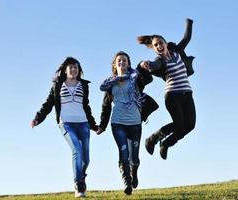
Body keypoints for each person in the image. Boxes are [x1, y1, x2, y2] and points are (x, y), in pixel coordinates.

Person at [30, 57, 98, 198]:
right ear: (65, 70)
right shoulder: (57, 85)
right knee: (76, 150)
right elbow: (48, 104)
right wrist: (37, 119)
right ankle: (78, 184)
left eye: (76, 67)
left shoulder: (83, 85)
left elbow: (86, 106)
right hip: (66, 123)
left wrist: (93, 125)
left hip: (83, 123)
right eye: (71, 67)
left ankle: (81, 176)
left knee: (86, 159)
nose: (73, 69)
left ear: (79, 70)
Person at [96, 51, 158, 195]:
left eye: (124, 60)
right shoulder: (110, 84)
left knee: (134, 157)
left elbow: (149, 78)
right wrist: (102, 126)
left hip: (135, 122)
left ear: (128, 64)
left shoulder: (135, 78)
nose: (122, 62)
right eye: (119, 60)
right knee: (123, 152)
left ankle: (133, 171)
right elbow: (105, 106)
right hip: (117, 122)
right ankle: (127, 181)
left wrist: (142, 65)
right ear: (114, 64)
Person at [137, 18, 196, 160]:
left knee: (190, 125)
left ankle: (166, 143)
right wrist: (147, 64)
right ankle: (153, 138)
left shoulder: (177, 51)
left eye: (160, 43)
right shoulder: (159, 61)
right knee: (179, 124)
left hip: (187, 94)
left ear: (165, 43)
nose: (158, 46)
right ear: (154, 48)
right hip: (172, 96)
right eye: (155, 45)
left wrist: (189, 22)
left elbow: (186, 38)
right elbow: (155, 66)